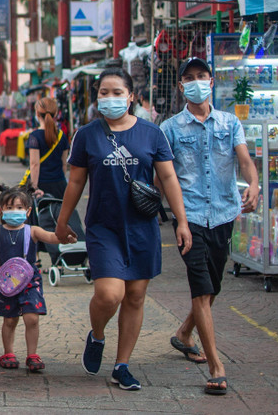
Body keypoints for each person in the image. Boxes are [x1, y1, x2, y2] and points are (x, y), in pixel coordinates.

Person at [55, 67, 190, 391]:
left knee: (135, 296)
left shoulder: (151, 133)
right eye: (104, 92)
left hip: (142, 227)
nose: (110, 98)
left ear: (131, 97)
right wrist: (62, 220)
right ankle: (97, 334)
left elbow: (168, 177)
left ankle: (122, 365)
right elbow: (76, 182)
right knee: (109, 294)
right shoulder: (87, 134)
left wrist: (181, 221)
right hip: (104, 227)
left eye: (117, 93)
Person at [160, 57, 260, 396]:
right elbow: (164, 176)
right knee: (201, 289)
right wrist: (176, 218)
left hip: (223, 214)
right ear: (181, 86)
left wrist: (254, 185)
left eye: (201, 76)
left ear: (211, 81)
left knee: (213, 285)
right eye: (189, 77)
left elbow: (244, 160)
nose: (196, 82)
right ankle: (217, 367)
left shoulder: (230, 123)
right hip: (189, 218)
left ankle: (184, 333)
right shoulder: (170, 129)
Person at [0, 184, 74, 372]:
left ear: (28, 211)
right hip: (7, 284)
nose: (15, 211)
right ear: (1, 210)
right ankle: (8, 352)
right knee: (10, 320)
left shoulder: (33, 230)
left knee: (32, 318)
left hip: (30, 281)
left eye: (20, 207)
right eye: (10, 207)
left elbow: (52, 237)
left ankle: (32, 354)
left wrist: (65, 238)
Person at [27, 97, 70, 199]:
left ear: (37, 113)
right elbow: (64, 164)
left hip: (41, 185)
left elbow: (34, 164)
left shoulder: (34, 136)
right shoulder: (62, 136)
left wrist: (34, 187)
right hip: (60, 184)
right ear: (56, 114)